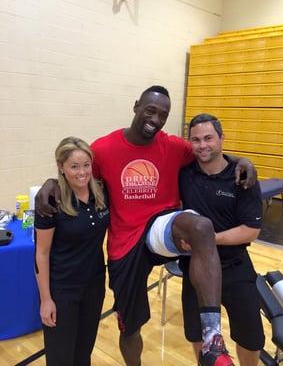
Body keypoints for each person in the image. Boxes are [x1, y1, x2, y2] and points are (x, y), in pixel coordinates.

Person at [36, 86, 256, 366]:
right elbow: (76, 167)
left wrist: (244, 160)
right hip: (125, 244)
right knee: (131, 327)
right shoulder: (104, 148)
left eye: (163, 114)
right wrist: (51, 182)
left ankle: (212, 338)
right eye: (150, 110)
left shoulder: (174, 146)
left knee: (200, 227)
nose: (156, 118)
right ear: (136, 105)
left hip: (161, 226)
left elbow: (210, 152)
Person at [179, 114, 265, 366]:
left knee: (251, 338)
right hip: (196, 269)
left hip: (235, 267)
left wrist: (208, 239)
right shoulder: (184, 174)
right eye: (195, 139)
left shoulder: (242, 177)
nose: (202, 145)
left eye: (208, 138)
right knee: (198, 334)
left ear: (221, 139)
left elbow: (251, 230)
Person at [34, 137, 109, 366]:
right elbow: (41, 254)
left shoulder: (103, 193)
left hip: (94, 286)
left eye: (86, 165)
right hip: (62, 291)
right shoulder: (51, 202)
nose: (82, 172)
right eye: (74, 166)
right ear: (61, 167)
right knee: (60, 358)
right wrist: (46, 300)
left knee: (83, 353)